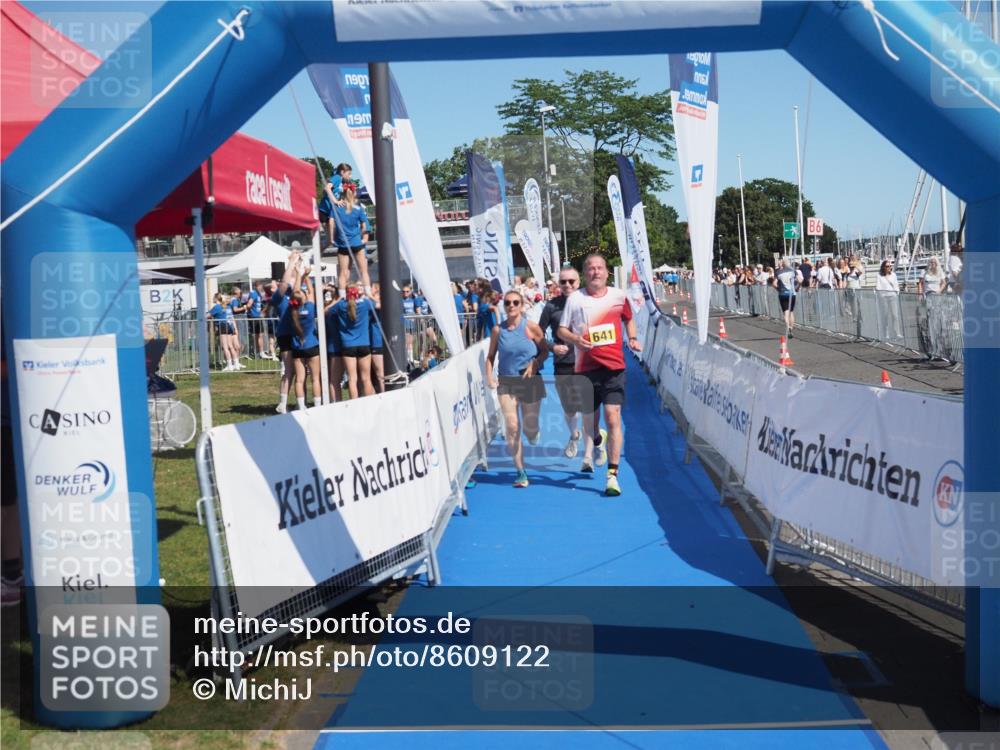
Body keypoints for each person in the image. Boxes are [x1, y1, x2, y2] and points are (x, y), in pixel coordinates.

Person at [557, 254, 642, 497]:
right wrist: (576, 340)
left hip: (614, 367)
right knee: (590, 424)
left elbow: (629, 319)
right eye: (591, 269)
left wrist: (633, 338)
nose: (596, 272)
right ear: (586, 274)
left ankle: (612, 476)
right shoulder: (575, 299)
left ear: (607, 273)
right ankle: (596, 439)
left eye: (600, 268)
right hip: (585, 370)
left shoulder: (618, 296)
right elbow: (562, 330)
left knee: (613, 416)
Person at [486, 290, 548, 488]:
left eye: (515, 303)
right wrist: (489, 376)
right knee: (512, 426)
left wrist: (535, 364)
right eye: (507, 303)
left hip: (530, 380)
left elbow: (545, 350)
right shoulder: (498, 330)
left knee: (530, 428)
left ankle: (533, 432)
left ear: (521, 306)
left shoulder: (530, 327)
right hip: (507, 381)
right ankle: (521, 471)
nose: (511, 306)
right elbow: (490, 356)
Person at [539, 266, 590, 459]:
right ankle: (574, 435)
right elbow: (538, 334)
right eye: (563, 282)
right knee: (570, 408)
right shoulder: (551, 306)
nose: (567, 285)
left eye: (572, 281)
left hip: (588, 361)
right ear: (558, 284)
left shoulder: (588, 302)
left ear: (579, 282)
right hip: (564, 363)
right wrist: (552, 347)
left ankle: (589, 455)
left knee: (587, 407)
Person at [330, 284, 376, 398]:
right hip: (364, 344)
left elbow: (326, 311)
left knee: (352, 379)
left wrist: (338, 299)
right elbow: (379, 304)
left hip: (348, 345)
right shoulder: (365, 304)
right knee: (366, 378)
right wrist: (369, 295)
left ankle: (353, 404)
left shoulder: (341, 305)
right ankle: (369, 403)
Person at [289, 268, 322, 410]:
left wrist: (298, 275)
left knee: (300, 379)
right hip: (312, 345)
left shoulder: (291, 311)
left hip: (297, 347)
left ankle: (302, 407)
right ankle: (317, 405)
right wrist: (306, 276)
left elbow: (295, 292)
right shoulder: (309, 307)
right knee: (315, 378)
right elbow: (311, 292)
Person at [332, 184, 372, 297]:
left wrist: (333, 238)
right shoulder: (358, 209)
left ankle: (342, 296)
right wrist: (359, 237)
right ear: (353, 194)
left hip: (343, 244)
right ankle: (368, 294)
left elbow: (331, 223)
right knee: (363, 271)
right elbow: (365, 228)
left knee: (343, 272)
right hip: (357, 243)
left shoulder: (337, 208)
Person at [319, 162, 352, 247]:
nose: (350, 176)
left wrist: (340, 201)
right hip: (324, 211)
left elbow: (335, 192)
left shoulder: (341, 182)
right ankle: (313, 255)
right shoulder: (337, 177)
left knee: (329, 241)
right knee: (331, 239)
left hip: (328, 211)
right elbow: (327, 187)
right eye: (349, 173)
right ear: (342, 172)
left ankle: (315, 255)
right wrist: (335, 201)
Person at [208, 293, 241, 371]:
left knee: (225, 347)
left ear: (216, 299)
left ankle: (229, 365)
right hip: (229, 326)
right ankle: (236, 364)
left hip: (222, 326)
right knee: (230, 346)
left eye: (213, 297)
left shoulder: (216, 307)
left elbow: (207, 316)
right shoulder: (227, 306)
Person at [876, 258, 903, 341]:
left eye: (890, 266)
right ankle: (885, 333)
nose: (889, 268)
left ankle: (897, 333)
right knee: (885, 316)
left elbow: (896, 285)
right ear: (883, 267)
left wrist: (896, 292)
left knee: (895, 315)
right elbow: (878, 286)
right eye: (887, 266)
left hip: (892, 296)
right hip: (884, 297)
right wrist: (881, 294)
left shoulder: (893, 275)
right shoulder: (879, 276)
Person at [775, 258, 799, 337]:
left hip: (783, 294)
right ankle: (791, 328)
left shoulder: (778, 272)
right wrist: (797, 287)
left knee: (786, 312)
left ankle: (788, 327)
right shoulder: (793, 271)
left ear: (782, 264)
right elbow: (800, 280)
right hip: (792, 293)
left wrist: (778, 289)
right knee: (791, 312)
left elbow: (774, 283)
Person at [368, 283, 385, 393]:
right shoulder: (370, 302)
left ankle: (384, 395)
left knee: (380, 374)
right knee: (371, 375)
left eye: (372, 288)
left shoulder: (380, 301)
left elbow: (378, 304)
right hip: (370, 342)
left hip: (378, 342)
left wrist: (368, 294)